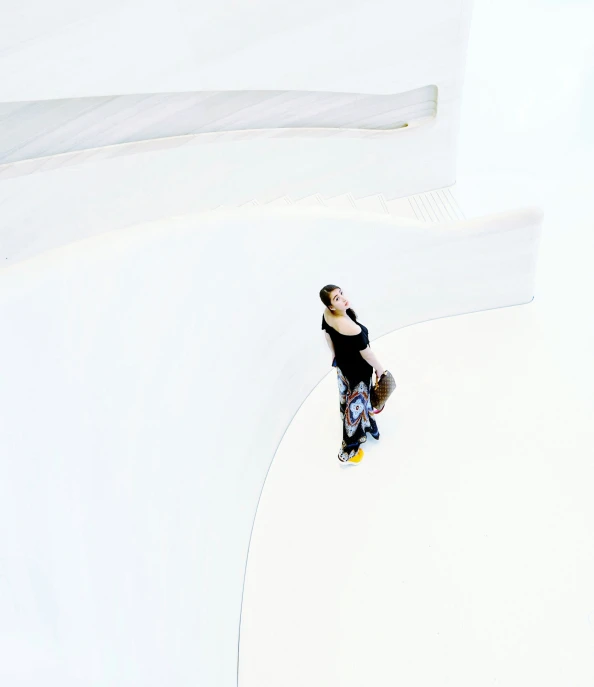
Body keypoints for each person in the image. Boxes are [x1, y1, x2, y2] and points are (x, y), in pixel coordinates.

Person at [319, 284, 386, 465]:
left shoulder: (327, 315)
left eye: (341, 293)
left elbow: (328, 336)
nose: (343, 298)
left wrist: (335, 356)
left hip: (343, 365)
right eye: (337, 298)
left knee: (348, 397)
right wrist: (380, 369)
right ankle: (349, 449)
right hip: (358, 371)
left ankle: (362, 422)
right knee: (356, 405)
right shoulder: (351, 328)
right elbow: (367, 354)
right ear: (331, 306)